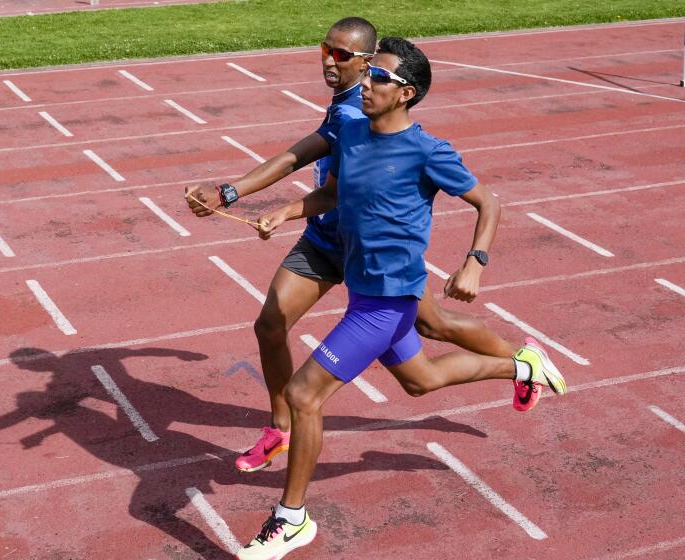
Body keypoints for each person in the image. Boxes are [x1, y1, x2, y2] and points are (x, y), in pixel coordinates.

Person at [234, 37, 567, 560]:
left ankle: (291, 520)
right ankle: (522, 367)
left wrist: (473, 264)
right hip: (363, 289)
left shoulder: (429, 152)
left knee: (303, 396)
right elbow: (334, 193)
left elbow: (488, 204)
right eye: (367, 75)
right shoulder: (351, 133)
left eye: (378, 78)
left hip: (390, 301)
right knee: (422, 380)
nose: (365, 83)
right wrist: (289, 212)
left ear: (405, 92)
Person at [186, 18, 535, 476]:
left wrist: (475, 261)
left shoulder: (365, 114)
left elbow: (301, 155)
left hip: (371, 252)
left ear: (373, 67)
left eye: (344, 56)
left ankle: (521, 361)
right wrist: (259, 202)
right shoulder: (349, 109)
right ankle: (281, 429)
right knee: (272, 324)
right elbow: (308, 162)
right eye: (325, 50)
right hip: (326, 241)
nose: (330, 61)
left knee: (433, 335)